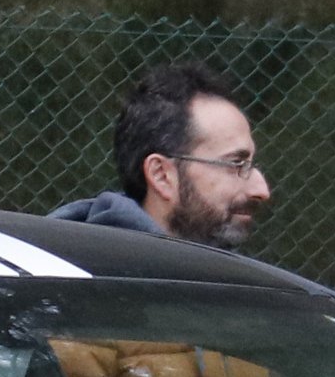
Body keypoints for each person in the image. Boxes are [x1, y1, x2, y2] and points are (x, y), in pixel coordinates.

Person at [51, 65, 273, 249]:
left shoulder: (214, 280)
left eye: (251, 165)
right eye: (236, 164)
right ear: (161, 175)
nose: (261, 190)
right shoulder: (93, 282)